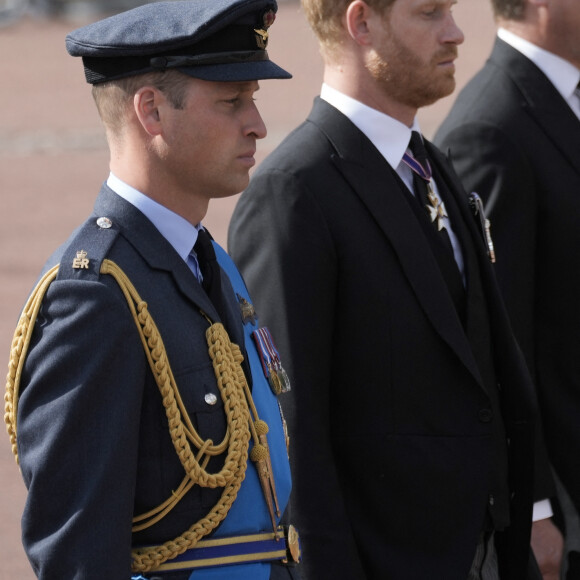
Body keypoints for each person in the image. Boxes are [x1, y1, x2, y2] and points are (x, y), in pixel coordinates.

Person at [228, 0, 552, 578]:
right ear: (361, 23)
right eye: (429, 13)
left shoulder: (431, 165)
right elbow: (290, 436)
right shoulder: (294, 194)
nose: (455, 33)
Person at [3, 1, 302, 578]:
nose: (258, 125)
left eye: (254, 102)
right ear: (152, 111)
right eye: (232, 101)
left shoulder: (209, 259)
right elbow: (78, 557)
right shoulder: (94, 298)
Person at [434, 1, 580, 578]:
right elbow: (498, 336)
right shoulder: (489, 128)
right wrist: (534, 508)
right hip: (564, 506)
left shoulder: (562, 101)